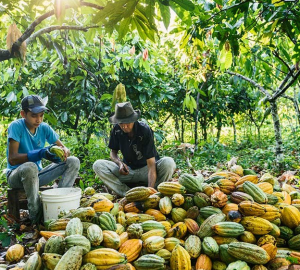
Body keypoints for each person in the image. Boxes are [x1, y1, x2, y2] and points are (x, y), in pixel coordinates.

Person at [6, 95, 80, 223]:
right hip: (16, 176)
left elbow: (64, 147)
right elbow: (12, 159)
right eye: (34, 116)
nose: (38, 119)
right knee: (30, 166)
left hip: (37, 175)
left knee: (73, 161)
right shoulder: (16, 126)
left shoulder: (44, 127)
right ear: (23, 114)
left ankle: (61, 202)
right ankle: (36, 216)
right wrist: (39, 154)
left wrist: (62, 152)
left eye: (41, 115)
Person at [93, 102, 176, 197]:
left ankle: (156, 193)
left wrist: (149, 193)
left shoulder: (144, 130)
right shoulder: (116, 130)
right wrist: (119, 163)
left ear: (133, 120)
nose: (124, 126)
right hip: (129, 171)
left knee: (169, 162)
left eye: (127, 122)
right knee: (98, 165)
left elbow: (151, 165)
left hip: (146, 170)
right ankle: (127, 193)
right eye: (121, 123)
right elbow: (113, 152)